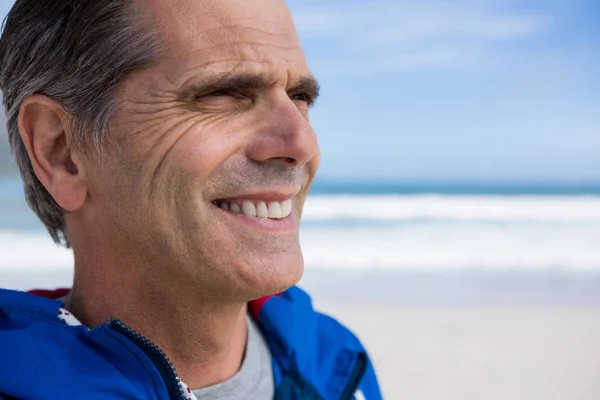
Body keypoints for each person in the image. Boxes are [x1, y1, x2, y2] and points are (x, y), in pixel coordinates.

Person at [0, 0, 382, 399]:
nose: (302, 144)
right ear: (61, 151)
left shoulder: (337, 365)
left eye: (300, 97)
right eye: (224, 94)